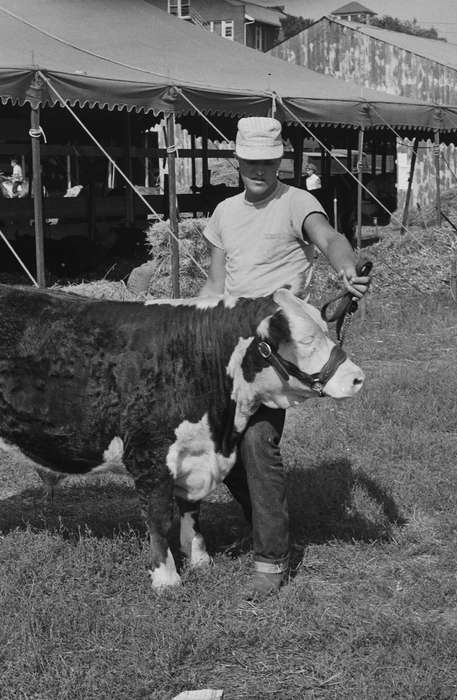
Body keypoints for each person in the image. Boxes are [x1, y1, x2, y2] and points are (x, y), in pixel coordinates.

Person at [199, 116, 371, 600]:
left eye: (268, 161)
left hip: (276, 351)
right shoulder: (224, 214)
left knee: (257, 443)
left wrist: (347, 267)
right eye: (250, 161)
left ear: (280, 161)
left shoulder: (297, 202)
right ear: (237, 161)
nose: (258, 169)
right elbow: (214, 286)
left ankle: (272, 559)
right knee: (222, 445)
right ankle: (266, 524)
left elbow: (330, 238)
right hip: (226, 345)